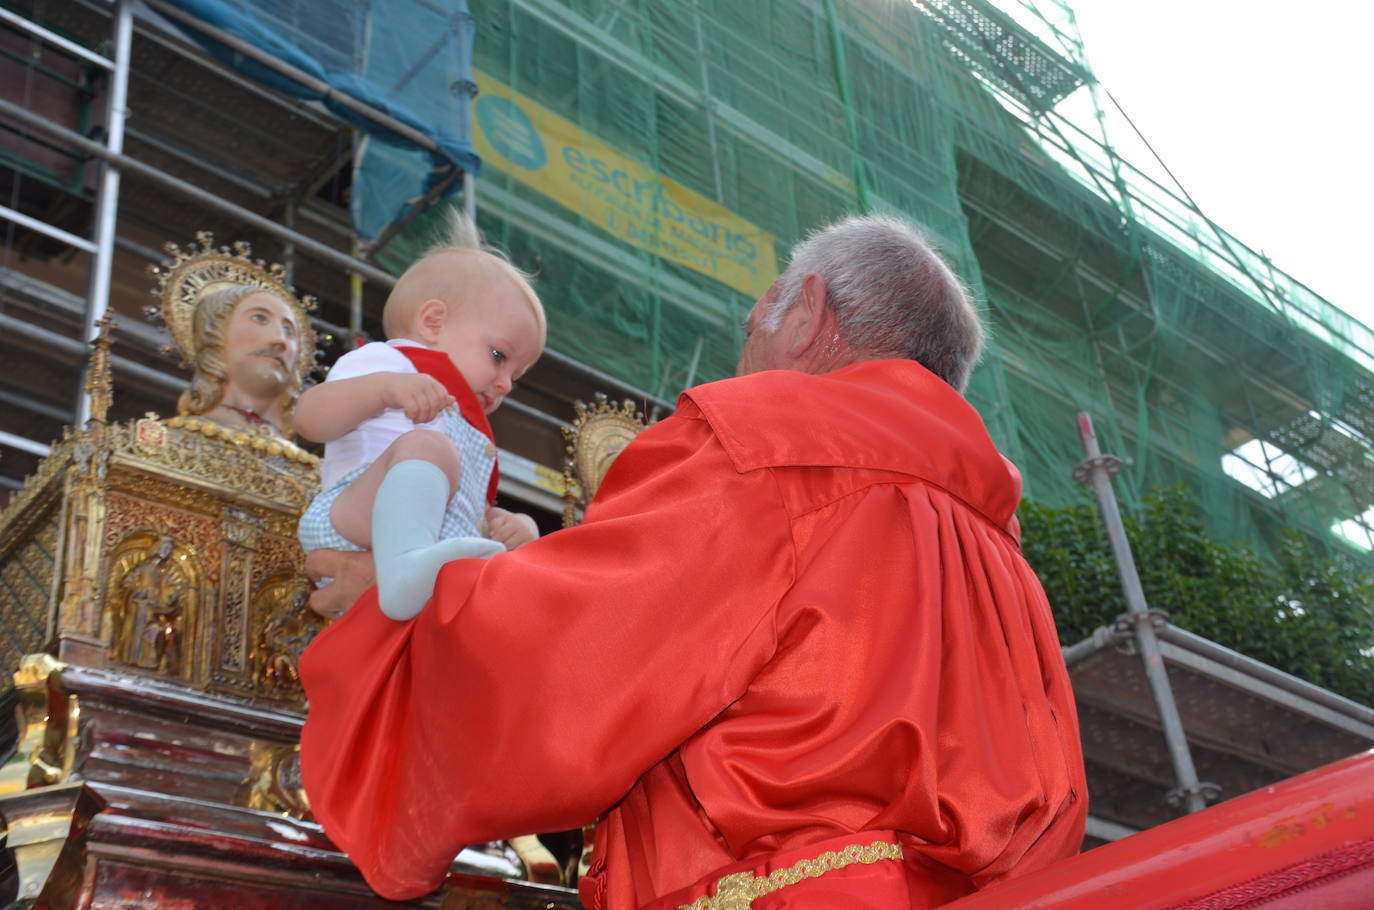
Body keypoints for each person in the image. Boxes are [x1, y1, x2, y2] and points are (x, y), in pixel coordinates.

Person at [300, 214, 1087, 909]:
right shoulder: (1002, 553)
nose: (748, 334)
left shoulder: (768, 443)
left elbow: (576, 666)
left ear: (808, 311)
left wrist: (403, 593)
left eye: (761, 313)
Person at [293, 220, 546, 620]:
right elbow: (308, 418)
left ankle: (413, 569)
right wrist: (382, 390)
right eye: (499, 357)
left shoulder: (470, 428)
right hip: (351, 524)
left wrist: (511, 527)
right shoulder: (392, 363)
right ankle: (407, 567)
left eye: (515, 375)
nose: (505, 385)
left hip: (425, 566)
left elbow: (468, 515)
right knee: (429, 448)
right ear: (433, 323)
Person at [178, 284, 305, 435]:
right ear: (214, 331)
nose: (280, 340)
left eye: (288, 330)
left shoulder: (315, 459)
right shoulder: (162, 445)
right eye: (260, 318)